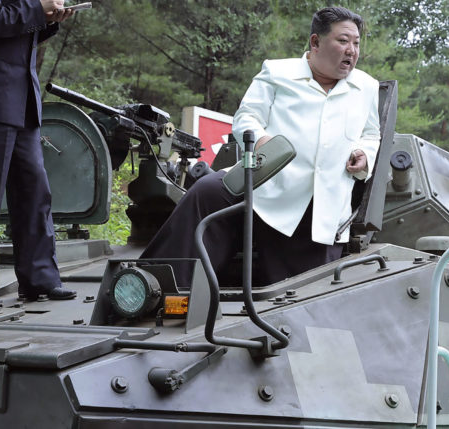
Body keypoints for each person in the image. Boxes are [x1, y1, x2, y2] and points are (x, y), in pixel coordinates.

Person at [141, 6, 380, 287]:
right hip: (264, 185)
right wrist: (263, 140)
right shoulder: (278, 72)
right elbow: (246, 117)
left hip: (321, 205)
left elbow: (371, 133)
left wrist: (364, 154)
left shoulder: (366, 86)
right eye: (343, 41)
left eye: (356, 43)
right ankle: (153, 286)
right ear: (316, 42)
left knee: (301, 294)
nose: (351, 50)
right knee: (206, 192)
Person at [0, 0, 78, 309]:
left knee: (35, 192)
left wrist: (47, 19)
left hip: (23, 100)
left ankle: (40, 280)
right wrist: (37, 10)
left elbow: (15, 36)